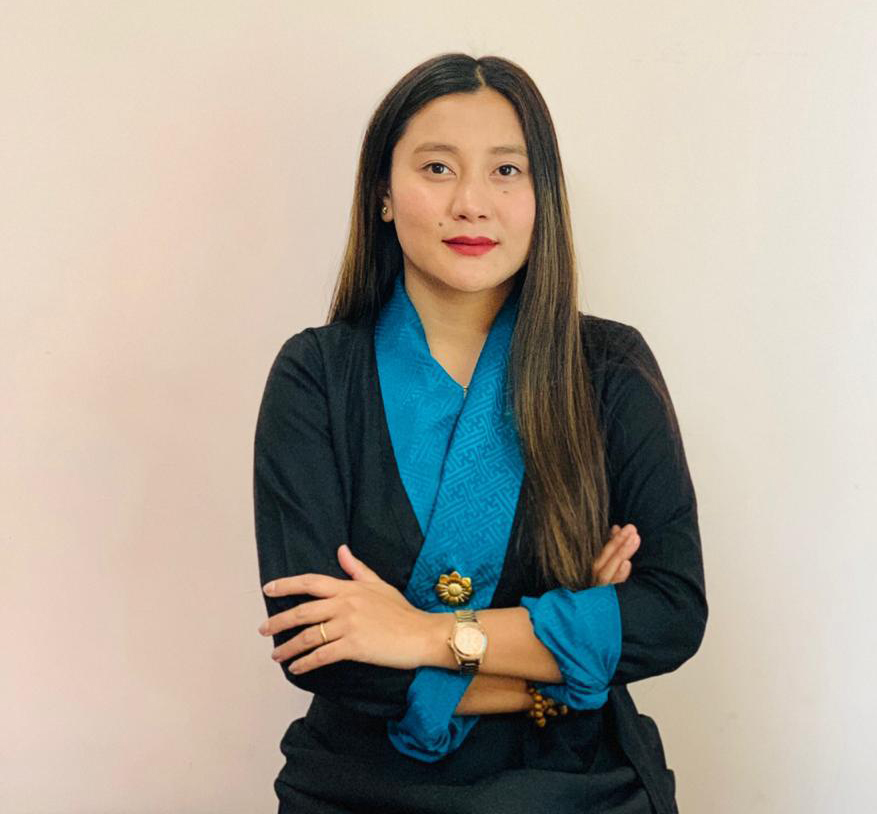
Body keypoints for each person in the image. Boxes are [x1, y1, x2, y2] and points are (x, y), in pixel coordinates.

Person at [253, 52, 707, 814]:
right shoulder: (316, 378)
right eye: (437, 168)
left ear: (541, 196)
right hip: (358, 790)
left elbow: (669, 613)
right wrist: (572, 663)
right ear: (383, 195)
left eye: (506, 171)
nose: (471, 203)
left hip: (581, 789)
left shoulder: (609, 368)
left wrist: (421, 634)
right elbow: (322, 651)